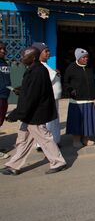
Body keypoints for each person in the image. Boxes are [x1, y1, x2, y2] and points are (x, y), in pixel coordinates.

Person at [0, 47, 67, 175]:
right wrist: (21, 89)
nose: (22, 58)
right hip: (30, 113)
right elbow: (30, 89)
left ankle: (58, 162)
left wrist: (17, 113)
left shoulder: (38, 71)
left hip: (36, 113)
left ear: (33, 58)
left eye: (25, 56)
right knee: (23, 139)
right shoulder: (33, 70)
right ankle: (14, 166)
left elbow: (32, 97)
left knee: (44, 138)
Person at [64, 48, 95, 147]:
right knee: (77, 120)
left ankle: (86, 139)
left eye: (87, 57)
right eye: (83, 57)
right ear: (78, 58)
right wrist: (71, 90)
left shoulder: (90, 67)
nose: (86, 59)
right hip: (77, 100)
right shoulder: (71, 67)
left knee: (87, 120)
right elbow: (66, 82)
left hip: (89, 99)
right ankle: (76, 139)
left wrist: (94, 88)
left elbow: (91, 80)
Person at [33, 42, 62, 146]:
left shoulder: (46, 65)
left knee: (53, 121)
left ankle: (53, 141)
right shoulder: (38, 66)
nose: (48, 53)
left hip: (53, 99)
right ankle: (45, 144)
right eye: (46, 51)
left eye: (48, 51)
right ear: (38, 53)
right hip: (46, 99)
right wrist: (54, 73)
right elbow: (44, 80)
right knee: (47, 122)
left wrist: (54, 71)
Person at [0, 42, 11, 159]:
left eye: (4, 49)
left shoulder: (4, 62)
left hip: (4, 96)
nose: (3, 51)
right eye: (0, 49)